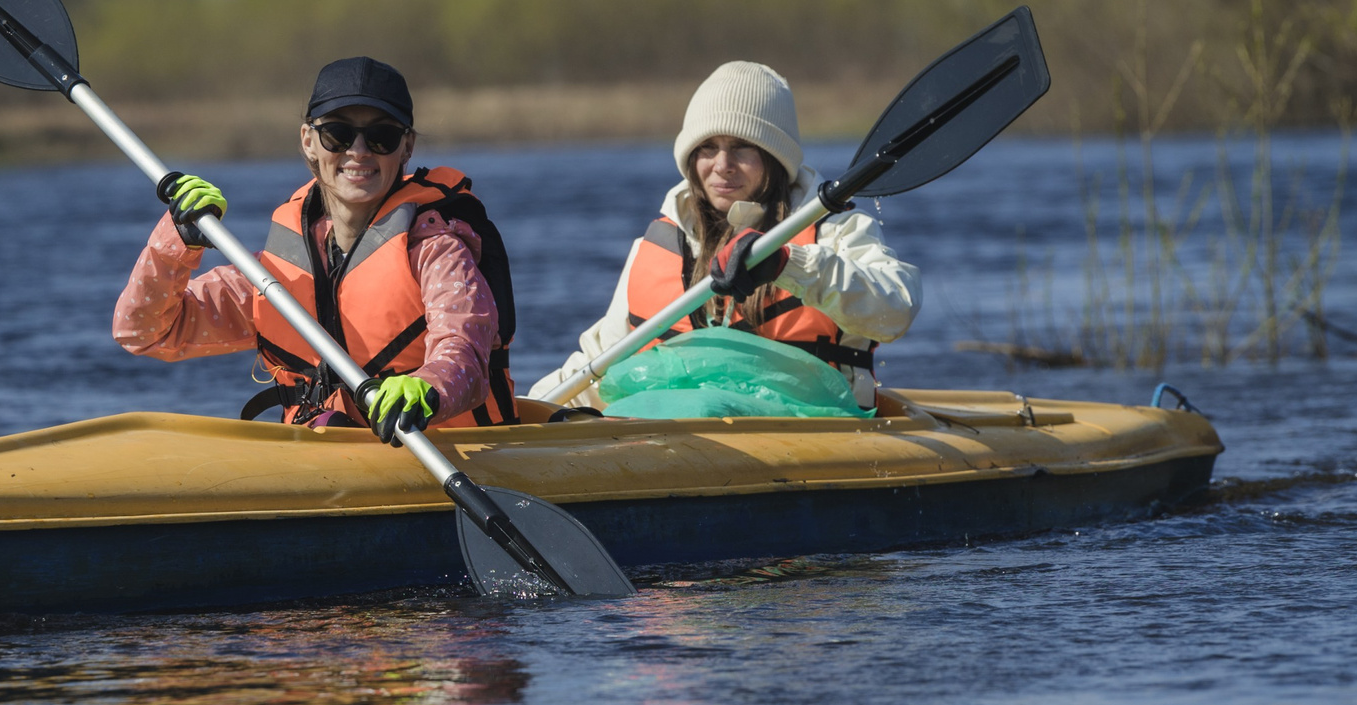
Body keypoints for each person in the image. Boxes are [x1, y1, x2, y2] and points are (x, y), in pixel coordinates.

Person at [113, 56, 519, 441]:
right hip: (327, 451)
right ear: (309, 141)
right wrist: (176, 241)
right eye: (337, 134)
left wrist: (427, 388)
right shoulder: (275, 276)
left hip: (445, 451)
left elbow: (464, 354)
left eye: (381, 136)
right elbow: (143, 332)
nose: (358, 151)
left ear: (407, 146)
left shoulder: (436, 251)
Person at [540, 60, 919, 410]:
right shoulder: (661, 243)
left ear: (774, 158)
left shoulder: (833, 230)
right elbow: (597, 364)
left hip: (811, 436)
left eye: (741, 148)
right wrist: (528, 410)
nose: (722, 165)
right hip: (679, 439)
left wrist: (789, 265)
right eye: (708, 147)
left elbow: (896, 309)